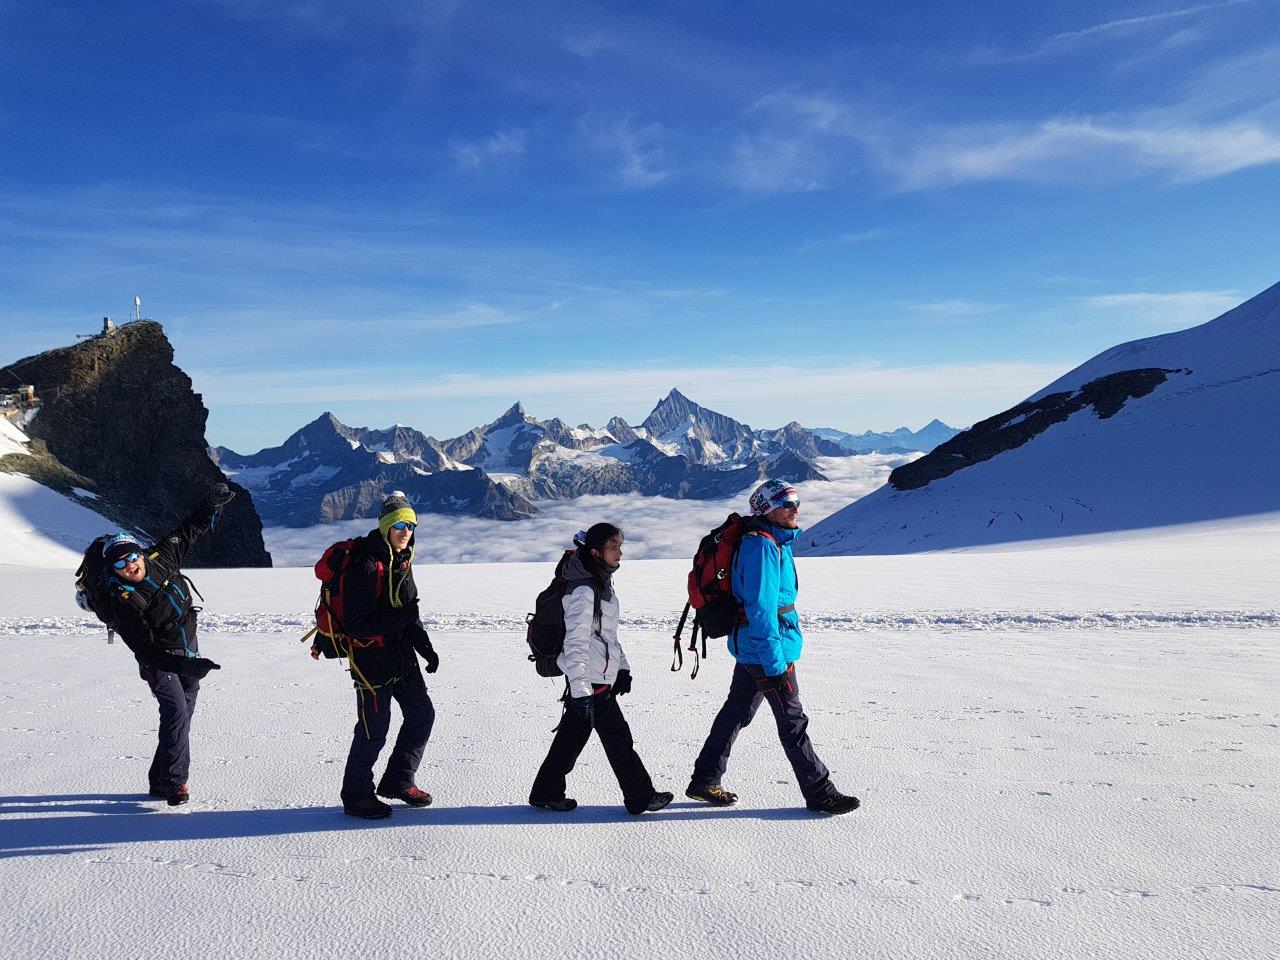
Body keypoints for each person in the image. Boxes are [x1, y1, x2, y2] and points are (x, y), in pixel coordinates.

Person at [686, 479, 859, 815]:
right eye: (786, 503)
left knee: (736, 712)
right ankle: (820, 792)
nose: (795, 509)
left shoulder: (773, 542)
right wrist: (775, 662)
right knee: (793, 722)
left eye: (796, 502)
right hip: (766, 650)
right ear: (767, 509)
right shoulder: (762, 547)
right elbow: (761, 610)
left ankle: (705, 778)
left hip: (756, 647)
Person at [102, 483, 236, 806]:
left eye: (132, 557)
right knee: (175, 709)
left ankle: (158, 779)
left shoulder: (161, 557)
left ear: (140, 552)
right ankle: (175, 784)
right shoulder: (123, 601)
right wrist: (185, 664)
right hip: (158, 659)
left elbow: (188, 532)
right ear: (113, 570)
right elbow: (145, 650)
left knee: (184, 711)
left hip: (187, 640)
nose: (130, 566)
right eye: (120, 565)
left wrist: (210, 506)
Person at [529, 524, 673, 815]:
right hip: (590, 680)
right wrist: (582, 691)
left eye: (619, 545)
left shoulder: (599, 581)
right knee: (619, 741)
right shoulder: (583, 590)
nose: (620, 552)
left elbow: (607, 635)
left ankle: (546, 791)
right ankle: (640, 797)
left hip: (597, 675)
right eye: (613, 547)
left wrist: (622, 668)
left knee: (571, 739)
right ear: (595, 552)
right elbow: (577, 644)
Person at [324, 491, 439, 820]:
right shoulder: (365, 565)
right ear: (387, 526)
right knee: (374, 729)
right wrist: (403, 620)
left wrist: (426, 648)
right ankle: (356, 795)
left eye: (412, 525)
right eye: (401, 525)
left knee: (421, 715)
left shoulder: (402, 561)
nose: (407, 531)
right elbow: (357, 625)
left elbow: (409, 613)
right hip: (369, 662)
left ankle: (399, 780)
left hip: (402, 658)